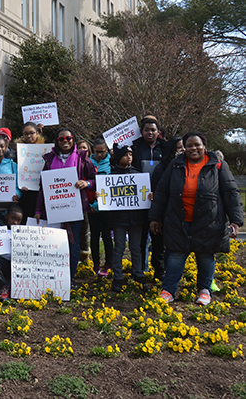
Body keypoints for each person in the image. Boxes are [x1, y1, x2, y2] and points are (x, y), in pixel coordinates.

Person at [150, 132, 243, 305]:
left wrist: (236, 221)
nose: (194, 148)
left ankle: (205, 290)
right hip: (178, 220)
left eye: (197, 144)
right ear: (184, 148)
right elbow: (162, 192)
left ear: (204, 146)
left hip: (209, 221)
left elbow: (231, 193)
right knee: (175, 256)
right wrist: (155, 217)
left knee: (205, 256)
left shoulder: (218, 165)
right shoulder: (175, 165)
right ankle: (169, 290)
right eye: (189, 145)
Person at [34, 128, 96, 286]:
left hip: (75, 208)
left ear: (73, 139)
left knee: (72, 242)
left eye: (69, 138)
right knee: (55, 243)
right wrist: (38, 210)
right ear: (57, 141)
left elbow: (95, 179)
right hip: (53, 208)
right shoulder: (49, 160)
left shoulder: (82, 158)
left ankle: (70, 278)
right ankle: (55, 276)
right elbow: (43, 187)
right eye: (61, 139)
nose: (65, 141)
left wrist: (86, 183)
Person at [104, 144, 146, 292]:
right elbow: (106, 197)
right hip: (119, 220)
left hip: (136, 219)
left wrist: (149, 196)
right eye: (125, 155)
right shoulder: (112, 176)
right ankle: (118, 277)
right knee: (119, 248)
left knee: (136, 248)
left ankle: (139, 275)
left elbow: (143, 194)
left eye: (130, 155)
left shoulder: (138, 174)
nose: (129, 157)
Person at [132, 117, 167, 277]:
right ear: (142, 131)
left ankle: (159, 271)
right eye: (147, 130)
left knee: (159, 238)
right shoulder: (134, 148)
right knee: (140, 239)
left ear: (158, 132)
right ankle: (139, 271)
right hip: (139, 200)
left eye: (153, 129)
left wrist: (159, 193)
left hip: (159, 199)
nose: (150, 132)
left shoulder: (166, 148)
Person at [88, 138, 113, 276]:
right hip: (91, 206)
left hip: (106, 206)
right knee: (94, 236)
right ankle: (96, 263)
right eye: (97, 152)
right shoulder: (88, 162)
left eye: (102, 152)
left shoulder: (110, 163)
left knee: (107, 235)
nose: (99, 155)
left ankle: (109, 263)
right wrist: (91, 204)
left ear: (107, 151)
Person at [17, 122, 47, 219]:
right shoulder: (18, 151)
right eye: (26, 134)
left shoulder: (46, 150)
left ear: (37, 133)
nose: (29, 136)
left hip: (41, 196)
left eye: (32, 133)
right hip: (25, 195)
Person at [76, 140, 93, 261]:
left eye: (85, 148)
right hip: (75, 203)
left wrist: (87, 183)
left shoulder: (89, 164)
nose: (82, 150)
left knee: (85, 231)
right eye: (80, 147)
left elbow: (95, 180)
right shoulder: (73, 164)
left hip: (89, 203)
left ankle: (86, 259)